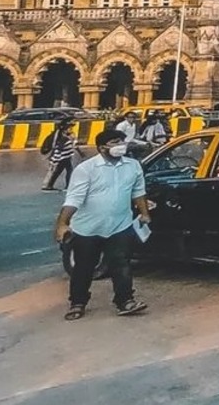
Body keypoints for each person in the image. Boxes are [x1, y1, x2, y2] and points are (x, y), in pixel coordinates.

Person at [53, 129, 149, 320]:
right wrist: (62, 224)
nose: (121, 145)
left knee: (121, 264)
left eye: (122, 141)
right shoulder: (86, 169)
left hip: (119, 225)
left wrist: (144, 213)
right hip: (88, 228)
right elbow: (74, 199)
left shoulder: (133, 166)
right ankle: (78, 303)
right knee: (84, 267)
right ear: (102, 147)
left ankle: (125, 301)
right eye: (115, 142)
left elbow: (138, 191)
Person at [42, 119, 80, 191]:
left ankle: (49, 185)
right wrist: (54, 159)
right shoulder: (63, 137)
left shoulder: (68, 135)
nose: (71, 129)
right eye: (70, 128)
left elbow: (74, 146)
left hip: (66, 156)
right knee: (67, 171)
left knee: (61, 171)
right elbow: (59, 148)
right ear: (65, 129)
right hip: (62, 157)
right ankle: (65, 186)